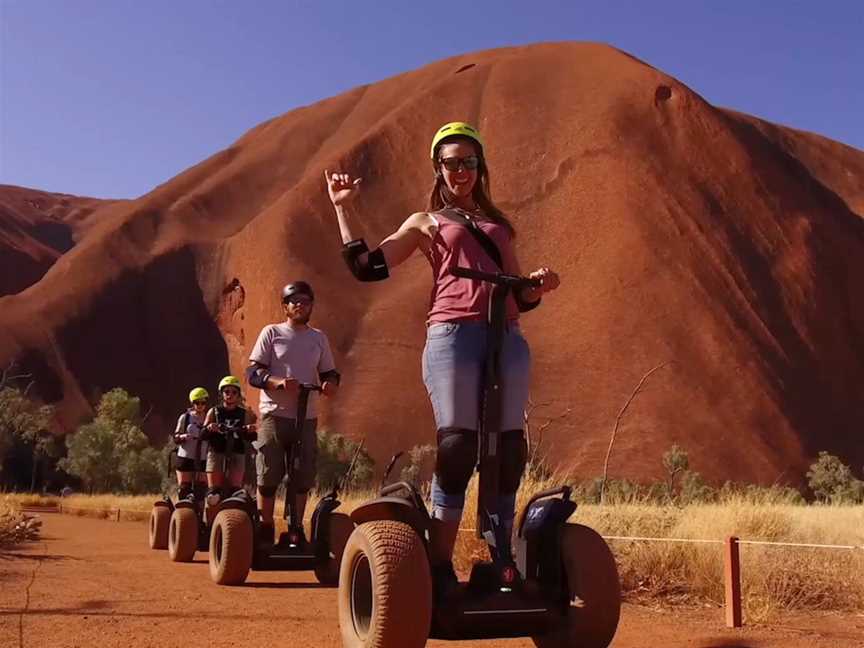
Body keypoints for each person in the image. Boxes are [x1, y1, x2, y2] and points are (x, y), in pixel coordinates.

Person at [324, 121, 560, 586]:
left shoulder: (499, 225)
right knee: (458, 446)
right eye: (451, 162)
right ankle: (438, 563)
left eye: (469, 162)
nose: (461, 171)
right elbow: (367, 267)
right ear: (438, 168)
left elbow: (522, 296)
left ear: (480, 167)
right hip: (452, 334)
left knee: (508, 449)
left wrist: (538, 284)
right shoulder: (424, 222)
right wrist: (344, 211)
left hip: (506, 335)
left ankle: (502, 562)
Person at [246, 281, 340, 545]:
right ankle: (265, 527)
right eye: (294, 301)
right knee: (269, 472)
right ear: (285, 306)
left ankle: (296, 527)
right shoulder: (271, 333)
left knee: (303, 474)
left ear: (312, 306)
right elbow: (253, 373)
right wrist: (276, 382)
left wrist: (331, 384)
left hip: (306, 416)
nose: (300, 305)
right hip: (274, 415)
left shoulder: (318, 338)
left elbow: (330, 372)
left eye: (305, 301)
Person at [203, 376, 257, 506]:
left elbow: (252, 437)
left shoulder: (244, 414)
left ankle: (232, 517)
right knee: (214, 493)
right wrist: (210, 428)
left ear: (238, 395)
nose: (230, 395)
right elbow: (202, 434)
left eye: (234, 392)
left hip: (237, 452)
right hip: (217, 451)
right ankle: (210, 522)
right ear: (221, 394)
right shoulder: (214, 411)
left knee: (235, 491)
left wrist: (250, 430)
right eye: (227, 392)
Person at [172, 387, 210, 500]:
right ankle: (183, 514)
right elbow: (175, 437)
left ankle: (199, 515)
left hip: (203, 458)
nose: (200, 405)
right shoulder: (185, 417)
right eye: (197, 403)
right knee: (184, 488)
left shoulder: (211, 417)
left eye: (203, 402)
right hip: (186, 457)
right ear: (192, 403)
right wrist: (183, 436)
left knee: (201, 490)